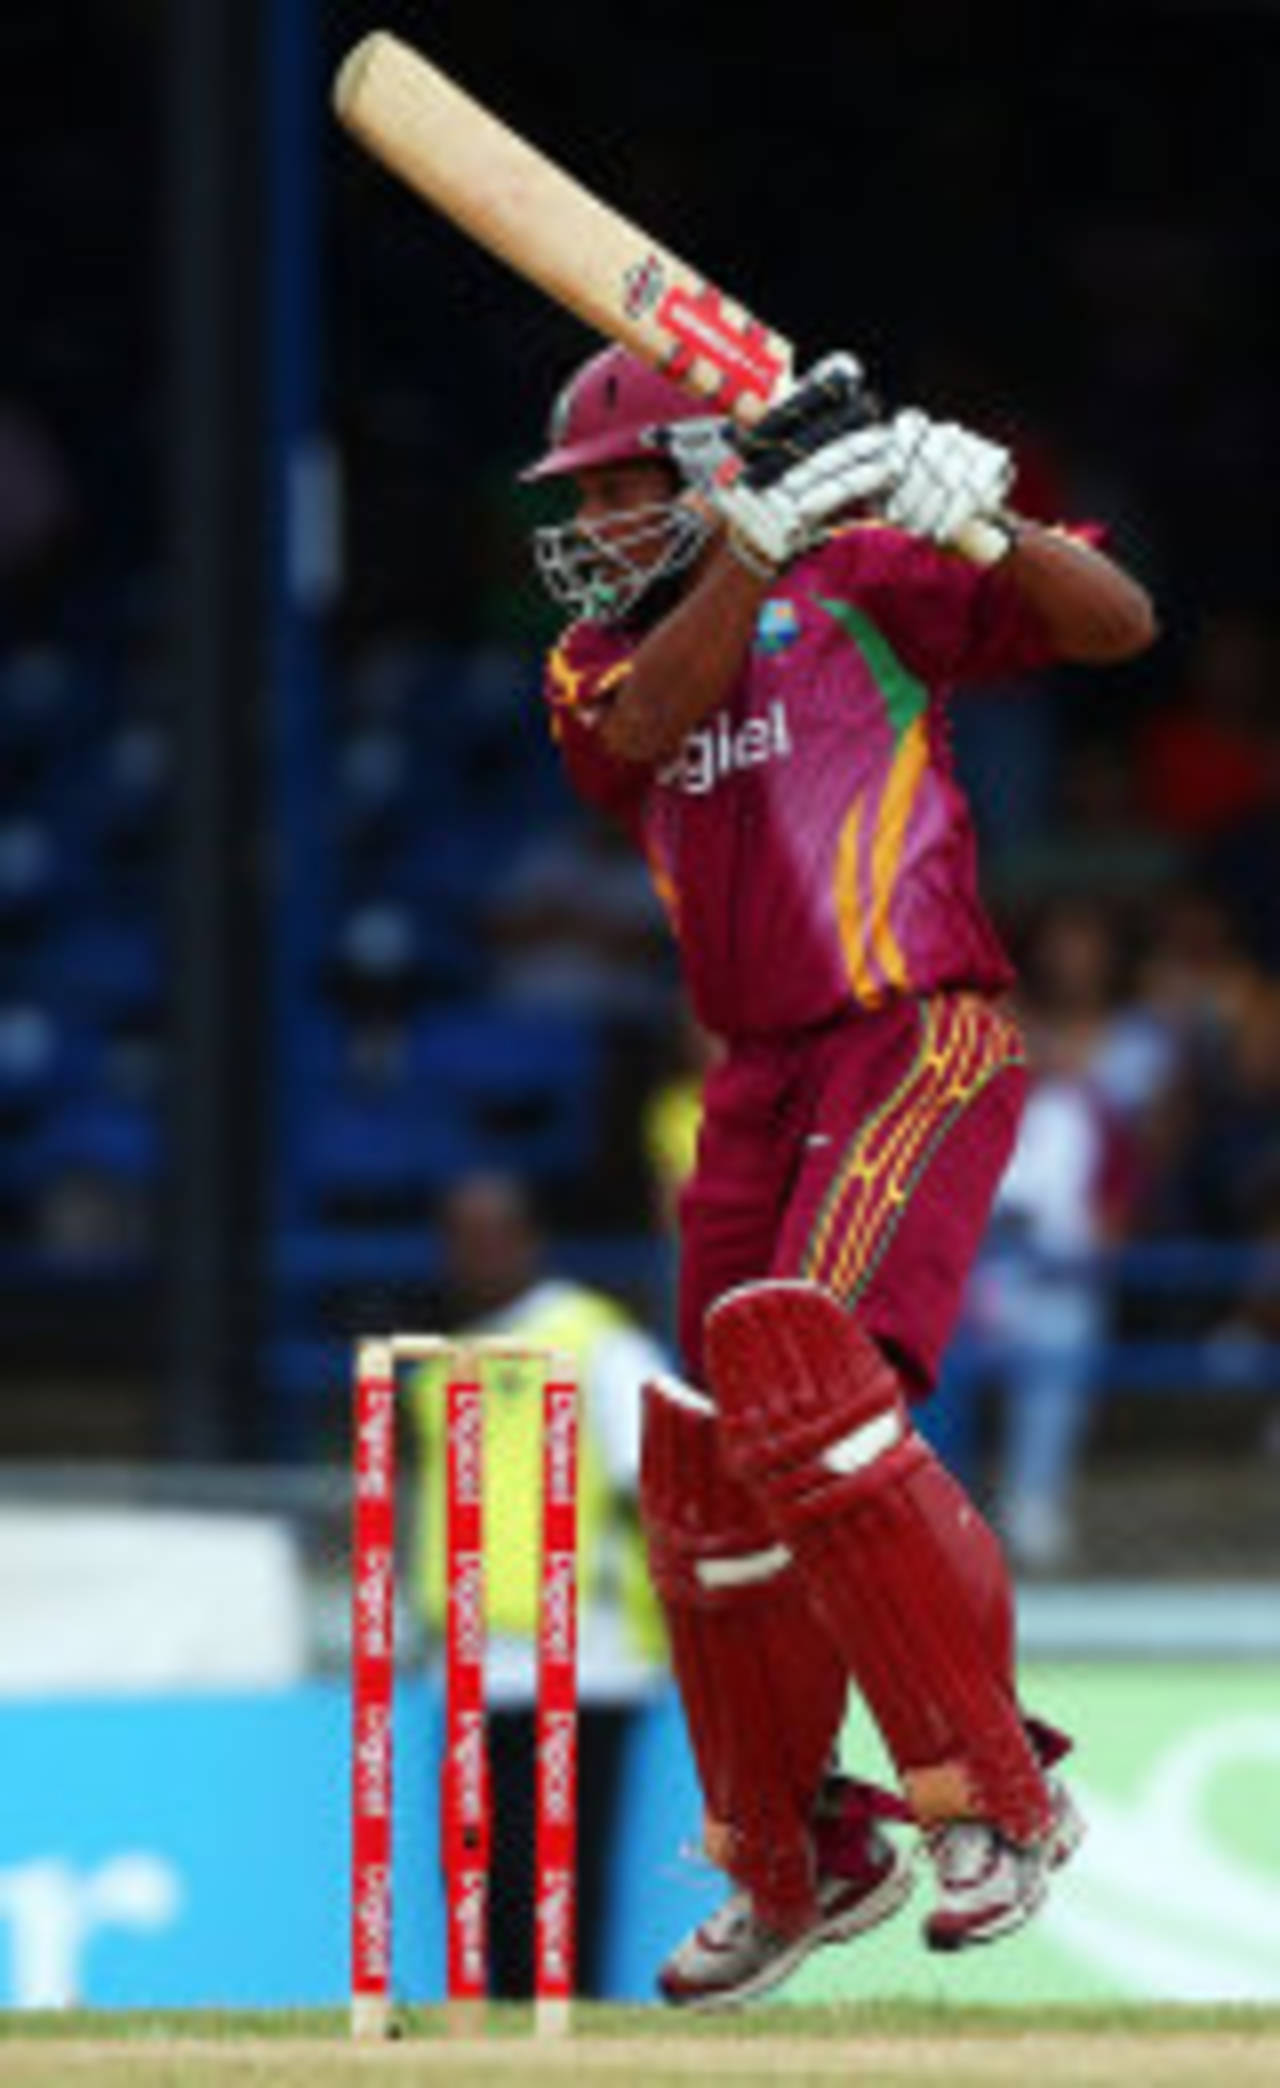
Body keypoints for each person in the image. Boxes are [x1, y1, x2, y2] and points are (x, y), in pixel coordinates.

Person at [519, 341, 1156, 2006]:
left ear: (709, 465)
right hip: (754, 1084)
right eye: (578, 497)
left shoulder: (868, 577)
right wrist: (742, 538)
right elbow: (645, 728)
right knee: (710, 1479)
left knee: (813, 1384)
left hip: (912, 1033)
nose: (589, 524)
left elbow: (1116, 624)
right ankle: (800, 1849)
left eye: (614, 486)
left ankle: (992, 1792)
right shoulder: (597, 655)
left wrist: (988, 519)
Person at [406, 1168, 669, 2000]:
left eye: (489, 1236)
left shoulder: (598, 1342)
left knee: (561, 1878)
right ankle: (495, 2050)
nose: (472, 1257)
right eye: (458, 1238)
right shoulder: (440, 1368)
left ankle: (563, 2050)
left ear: (528, 1240)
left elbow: (655, 1482)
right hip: (473, 1658)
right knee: (481, 1882)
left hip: (585, 1656)